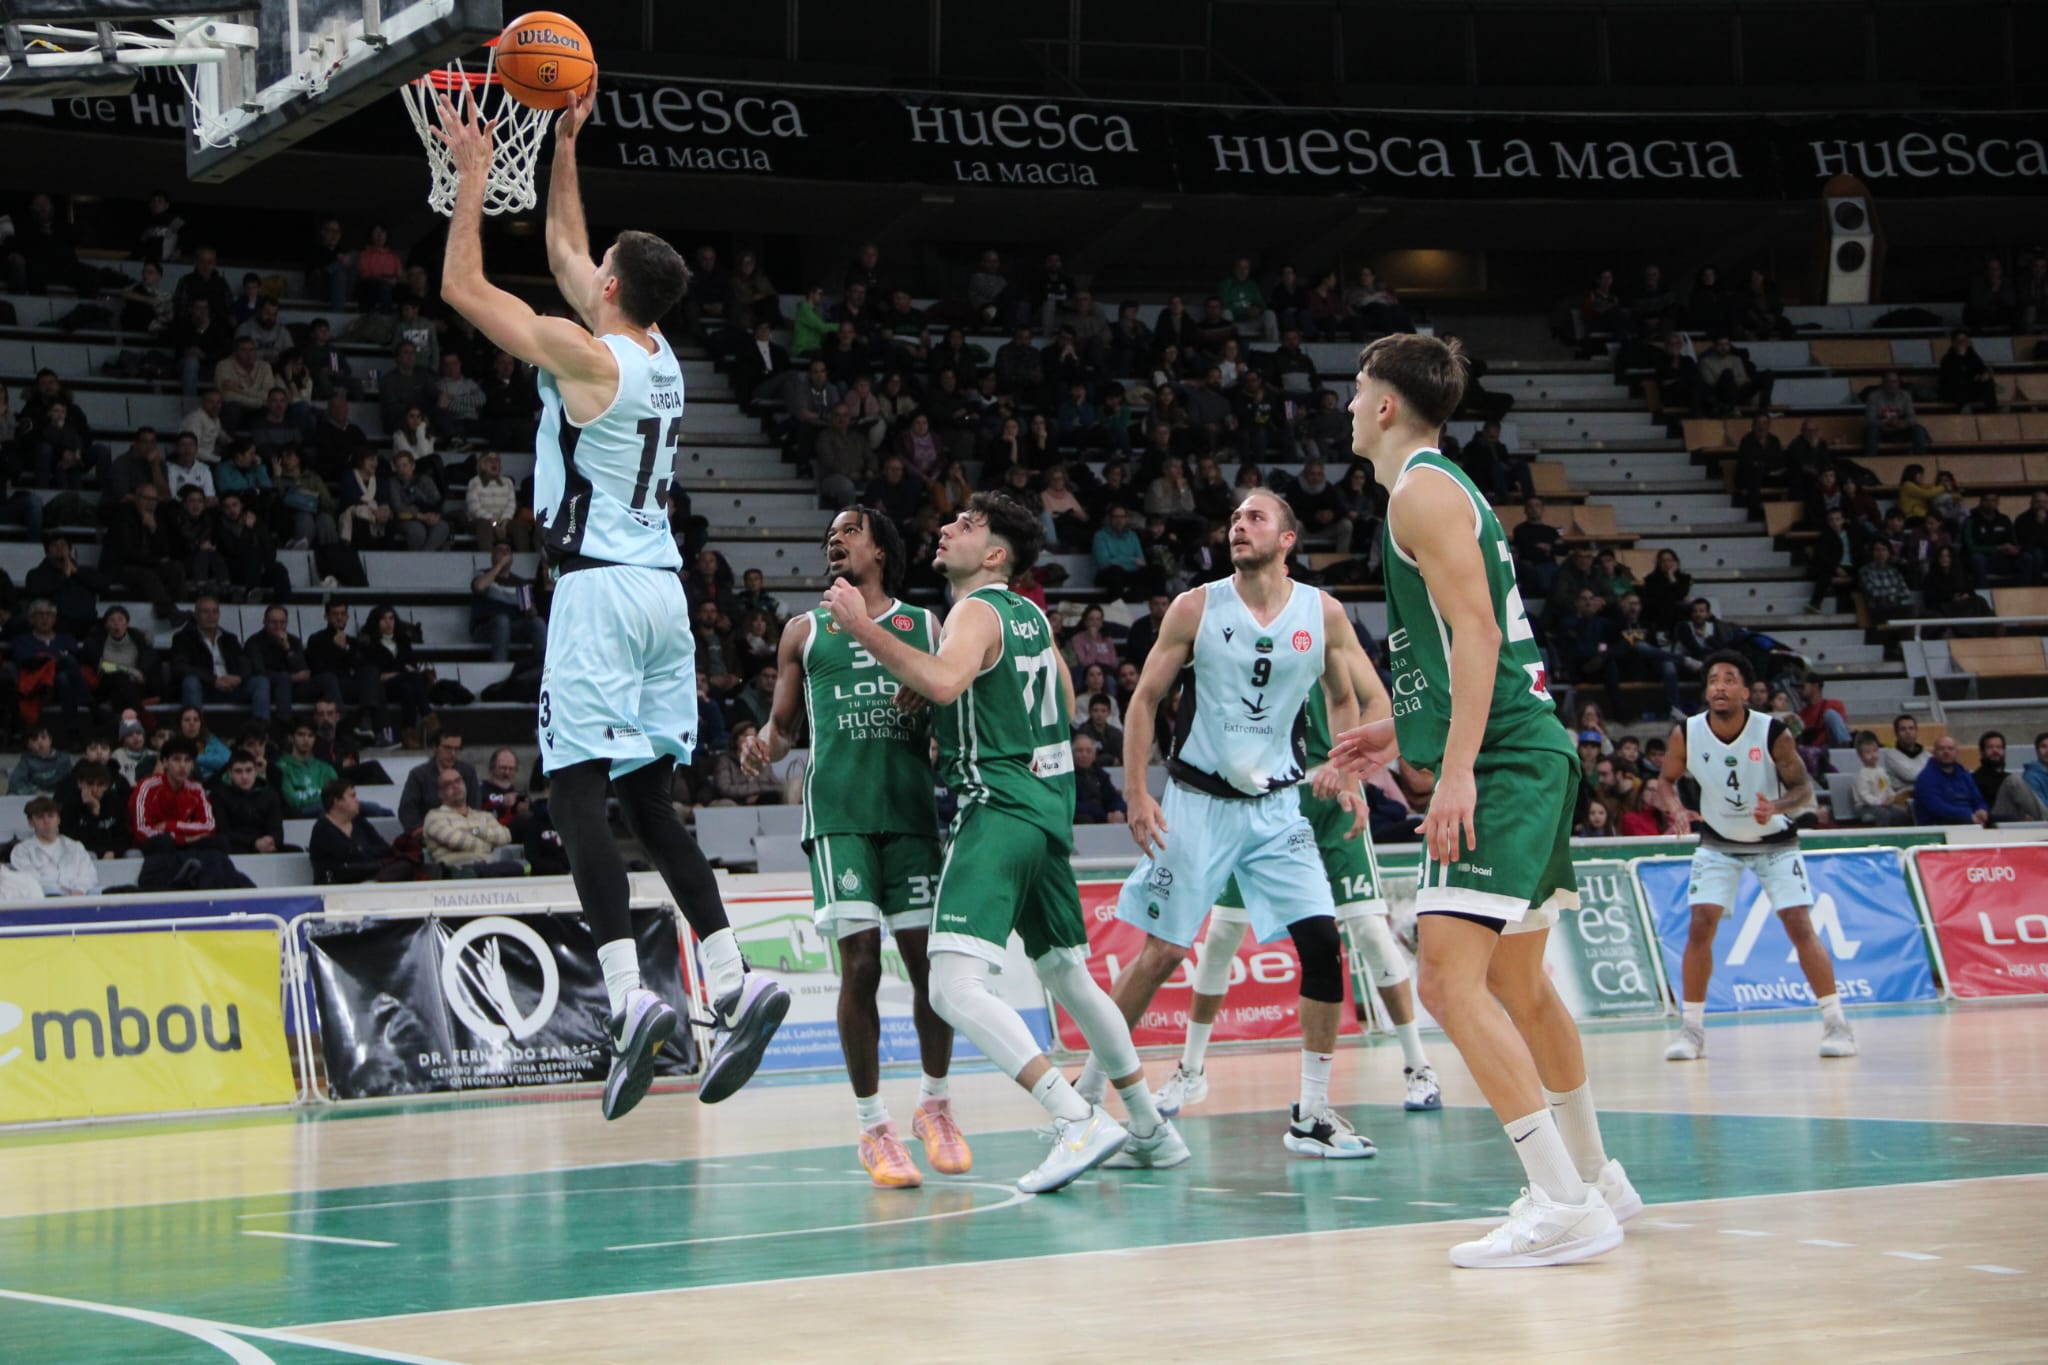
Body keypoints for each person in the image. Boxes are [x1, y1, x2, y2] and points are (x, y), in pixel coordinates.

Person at [434, 84, 786, 1119]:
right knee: (647, 801)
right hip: (664, 598)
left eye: (596, 272)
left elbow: (465, 286)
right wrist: (564, 142)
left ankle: (632, 998)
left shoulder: (586, 358)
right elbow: (560, 243)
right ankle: (729, 976)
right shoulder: (657, 356)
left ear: (613, 290)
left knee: (574, 793)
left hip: (594, 596)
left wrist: (466, 176)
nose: (581, 270)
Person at [1328, 332, 1633, 1268]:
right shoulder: (1432, 491)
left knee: (1446, 981)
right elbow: (1455, 640)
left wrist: (1455, 768)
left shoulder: (1422, 490)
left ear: (1386, 404)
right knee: (1517, 984)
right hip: (1519, 747)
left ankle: (1560, 1201)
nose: (1346, 402)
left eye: (1356, 387)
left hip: (1502, 759)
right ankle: (1596, 1177)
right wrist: (1402, 735)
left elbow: (1476, 632)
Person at [820, 491, 1178, 1192]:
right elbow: (1058, 690)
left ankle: (1073, 1116)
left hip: (999, 804)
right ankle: (1147, 1123)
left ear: (993, 556)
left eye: (966, 524)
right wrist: (955, 687)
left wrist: (865, 629)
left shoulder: (976, 608)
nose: (947, 527)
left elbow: (948, 680)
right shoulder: (1032, 616)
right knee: (1068, 972)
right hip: (1049, 808)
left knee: (951, 985)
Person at [1096, 487, 1377, 1162]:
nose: (1238, 526)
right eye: (1234, 518)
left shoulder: (1323, 612)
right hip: (1198, 803)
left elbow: (1344, 696)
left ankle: (1312, 1111)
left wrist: (1349, 769)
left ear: (1287, 539)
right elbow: (1143, 702)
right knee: (1162, 953)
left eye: (1255, 517)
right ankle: (1083, 1098)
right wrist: (1138, 791)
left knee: (1320, 941)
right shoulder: (1199, 606)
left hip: (1278, 808)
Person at [741, 506, 967, 1189]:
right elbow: (782, 729)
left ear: (880, 546)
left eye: (848, 530)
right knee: (861, 965)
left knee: (931, 968)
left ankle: (935, 1104)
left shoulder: (927, 626)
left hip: (909, 813)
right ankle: (873, 1125)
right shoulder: (803, 631)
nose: (833, 540)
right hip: (839, 813)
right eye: (827, 534)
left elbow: (954, 702)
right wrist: (760, 745)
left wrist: (928, 704)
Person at [1156, 645, 1442, 1120]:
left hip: (1332, 803)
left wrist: (1345, 768)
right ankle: (1191, 1069)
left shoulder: (1321, 623)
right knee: (1223, 933)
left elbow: (1378, 702)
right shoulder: (1231, 634)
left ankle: (1418, 1066)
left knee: (1369, 931)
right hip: (1260, 805)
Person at [1653, 651, 1856, 1062]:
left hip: (1775, 841)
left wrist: (1777, 807)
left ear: (1746, 692)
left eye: (1729, 679)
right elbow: (1666, 781)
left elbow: (1803, 790)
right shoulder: (1687, 733)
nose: (1720, 686)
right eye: (1713, 680)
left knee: (1799, 924)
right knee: (1700, 922)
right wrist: (1675, 809)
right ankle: (1692, 1030)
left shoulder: (1773, 732)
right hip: (1718, 839)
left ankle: (1837, 1023)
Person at [309, 778, 411, 884]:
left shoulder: (359, 822)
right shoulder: (322, 829)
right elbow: (342, 863)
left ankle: (372, 885)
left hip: (369, 874)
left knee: (404, 866)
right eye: (352, 796)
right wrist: (370, 858)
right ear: (337, 801)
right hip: (338, 882)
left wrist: (366, 855)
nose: (357, 800)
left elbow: (383, 848)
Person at [12, 796, 97, 895]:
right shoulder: (22, 851)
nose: (46, 821)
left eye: (51, 816)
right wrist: (60, 892)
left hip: (78, 900)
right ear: (31, 822)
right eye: (40, 817)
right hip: (42, 902)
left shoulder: (75, 847)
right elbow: (29, 881)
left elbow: (89, 875)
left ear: (58, 819)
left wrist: (79, 890)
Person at [214, 750, 287, 855]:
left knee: (295, 850)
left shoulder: (269, 794)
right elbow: (223, 832)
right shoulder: (219, 795)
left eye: (249, 770)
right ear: (230, 773)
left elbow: (277, 831)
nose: (244, 776)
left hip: (265, 846)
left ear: (256, 771)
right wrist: (254, 843)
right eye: (238, 771)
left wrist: (270, 840)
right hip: (234, 848)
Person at [1913, 734, 1988, 827]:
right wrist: (1968, 815)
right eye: (1941, 748)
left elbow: (1978, 799)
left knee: (1999, 820)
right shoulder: (1926, 778)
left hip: (1970, 818)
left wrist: (1982, 810)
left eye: (1950, 748)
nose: (1946, 752)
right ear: (1934, 752)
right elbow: (1937, 808)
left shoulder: (1965, 774)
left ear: (1957, 752)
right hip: (1939, 823)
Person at [1850, 731, 1914, 826]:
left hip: (1884, 804)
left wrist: (1891, 796)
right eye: (1868, 752)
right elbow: (1865, 795)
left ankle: (1898, 836)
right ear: (1860, 756)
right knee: (1884, 814)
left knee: (1901, 813)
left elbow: (1887, 787)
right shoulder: (1862, 775)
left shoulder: (1881, 771)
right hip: (1867, 807)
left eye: (1875, 751)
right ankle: (1881, 838)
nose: (1873, 755)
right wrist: (1879, 802)